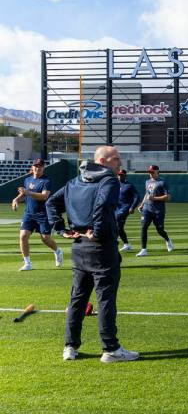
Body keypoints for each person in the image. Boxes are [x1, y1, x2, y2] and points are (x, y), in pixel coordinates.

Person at [46, 146, 139, 363]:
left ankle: (70, 347)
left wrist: (61, 229)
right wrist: (96, 232)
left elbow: (52, 202)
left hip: (79, 247)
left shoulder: (76, 181)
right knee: (105, 299)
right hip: (100, 247)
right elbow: (103, 205)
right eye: (116, 159)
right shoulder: (109, 180)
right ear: (103, 161)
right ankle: (111, 349)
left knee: (77, 298)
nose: (120, 163)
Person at [11, 158, 63, 271]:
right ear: (32, 167)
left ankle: (57, 251)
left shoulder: (46, 181)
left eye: (40, 166)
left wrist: (27, 192)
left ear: (43, 168)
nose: (37, 168)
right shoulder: (27, 180)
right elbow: (24, 195)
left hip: (43, 214)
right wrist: (16, 199)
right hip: (29, 213)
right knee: (23, 236)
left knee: (45, 239)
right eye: (36, 165)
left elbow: (44, 196)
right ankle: (27, 263)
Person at [136, 165, 173, 257]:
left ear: (157, 172)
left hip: (158, 210)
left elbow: (168, 197)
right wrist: (142, 204)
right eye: (149, 172)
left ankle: (168, 240)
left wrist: (154, 198)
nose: (150, 174)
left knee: (160, 230)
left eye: (152, 172)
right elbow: (147, 194)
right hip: (147, 209)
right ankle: (144, 249)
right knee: (144, 227)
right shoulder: (147, 182)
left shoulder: (162, 182)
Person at [116, 169, 140, 252]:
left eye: (122, 175)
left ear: (125, 176)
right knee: (119, 227)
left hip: (125, 207)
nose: (120, 176)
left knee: (117, 220)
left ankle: (114, 242)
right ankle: (127, 244)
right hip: (117, 207)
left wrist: (132, 207)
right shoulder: (115, 184)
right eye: (119, 175)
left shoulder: (129, 185)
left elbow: (137, 197)